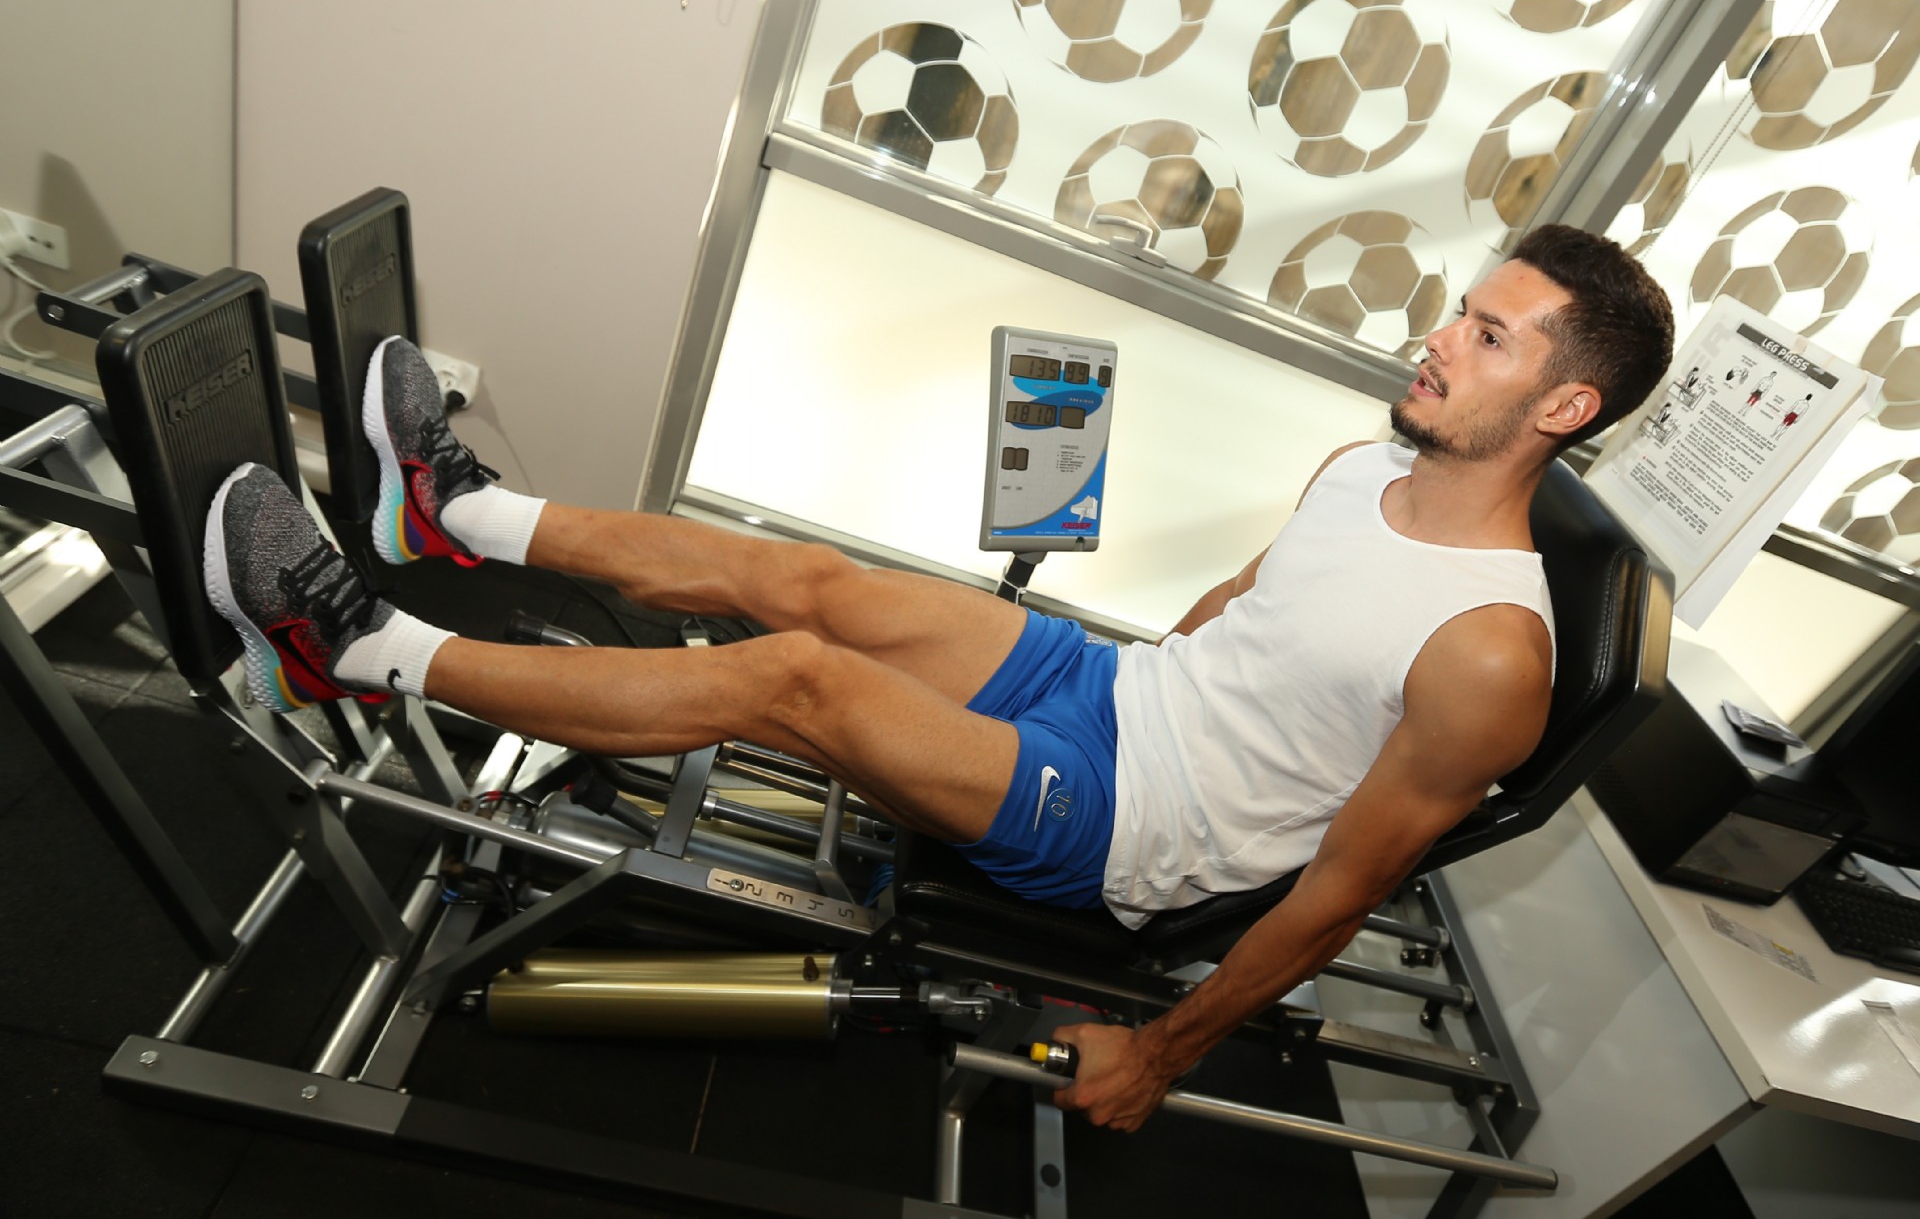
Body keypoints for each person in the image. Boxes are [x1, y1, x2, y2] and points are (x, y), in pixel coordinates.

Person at [203, 223, 1673, 1132]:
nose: (1438, 339)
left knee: (794, 679)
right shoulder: (1364, 466)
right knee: (812, 582)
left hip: (1129, 828)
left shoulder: (1493, 653)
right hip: (1117, 695)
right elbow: (1239, 610)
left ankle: (357, 650)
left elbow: (1338, 895)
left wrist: (1158, 1058)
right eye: (1459, 309)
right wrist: (1130, 678)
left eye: (1487, 336)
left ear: (1565, 402)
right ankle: (453, 514)